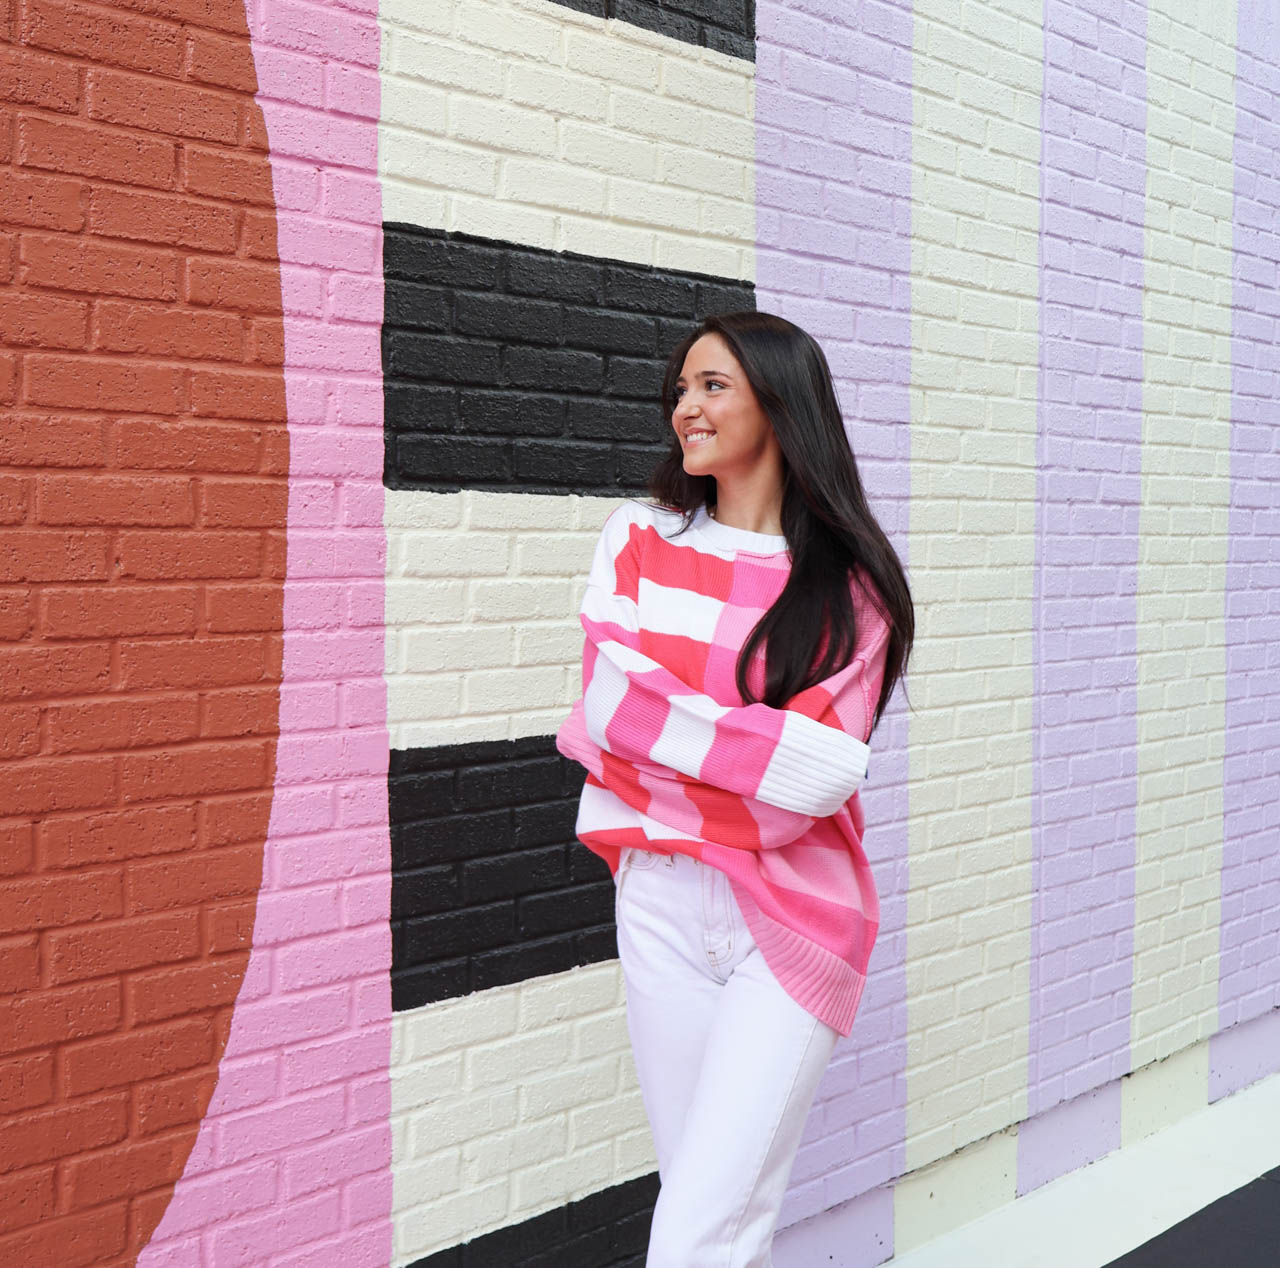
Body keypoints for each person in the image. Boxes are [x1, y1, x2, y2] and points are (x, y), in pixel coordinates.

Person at [555, 310, 914, 1266]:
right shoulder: (638, 538)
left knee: (697, 1230)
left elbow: (810, 788)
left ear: (780, 401)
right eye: (681, 389)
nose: (686, 408)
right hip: (660, 901)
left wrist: (668, 740)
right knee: (716, 1214)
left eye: (712, 386)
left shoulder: (851, 593)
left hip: (793, 920)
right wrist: (762, 751)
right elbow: (606, 714)